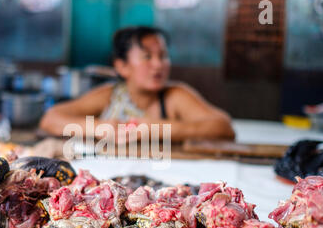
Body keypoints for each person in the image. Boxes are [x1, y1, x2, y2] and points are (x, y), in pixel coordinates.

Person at [40, 26, 235, 143]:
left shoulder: (175, 96)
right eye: (147, 57)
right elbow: (51, 119)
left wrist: (155, 129)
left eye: (163, 56)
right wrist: (99, 127)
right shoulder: (110, 96)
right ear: (122, 66)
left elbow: (223, 127)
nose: (158, 65)